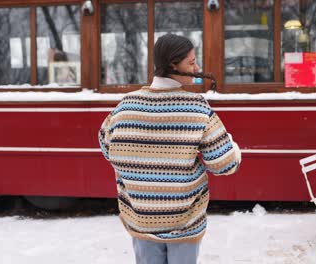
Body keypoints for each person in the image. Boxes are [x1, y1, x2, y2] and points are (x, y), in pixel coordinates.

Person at [98, 33, 241, 264]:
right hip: (185, 222)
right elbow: (225, 163)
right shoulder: (196, 107)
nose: (198, 67)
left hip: (140, 218)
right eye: (192, 62)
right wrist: (233, 146)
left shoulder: (125, 105)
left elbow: (106, 147)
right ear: (173, 65)